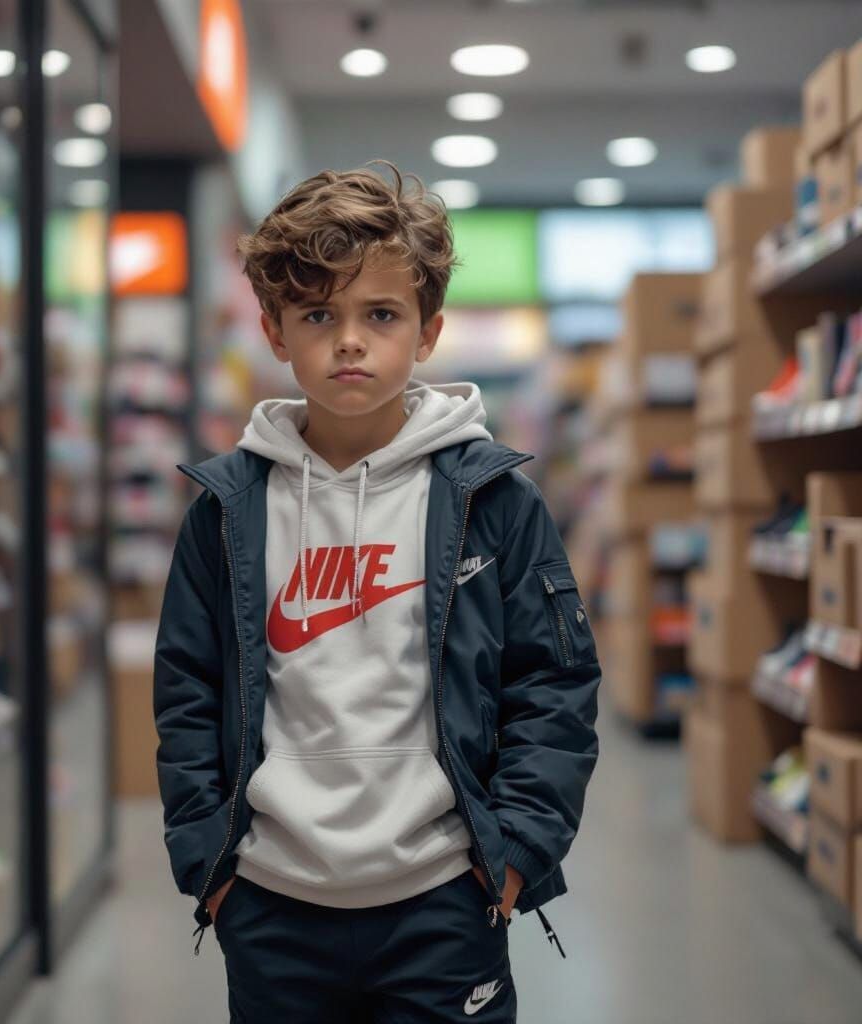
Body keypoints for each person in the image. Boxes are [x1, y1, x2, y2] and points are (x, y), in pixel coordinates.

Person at [153, 159, 601, 1022]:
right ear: (276, 331)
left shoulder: (494, 501)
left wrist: (516, 851)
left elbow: (553, 684)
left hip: (444, 896)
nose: (349, 339)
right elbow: (186, 692)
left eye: (381, 314)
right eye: (319, 313)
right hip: (271, 900)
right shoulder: (227, 510)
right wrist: (210, 868)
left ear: (427, 332)